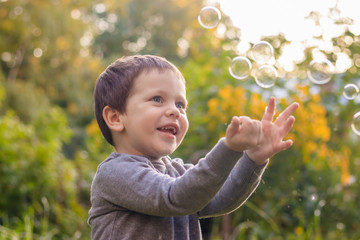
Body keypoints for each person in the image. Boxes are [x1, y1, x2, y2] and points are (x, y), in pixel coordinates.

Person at [88, 55, 299, 240]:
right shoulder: (114, 173)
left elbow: (221, 198)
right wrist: (229, 148)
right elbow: (174, 197)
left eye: (180, 104)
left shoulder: (178, 172)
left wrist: (254, 158)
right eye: (157, 99)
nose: (175, 111)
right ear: (115, 118)